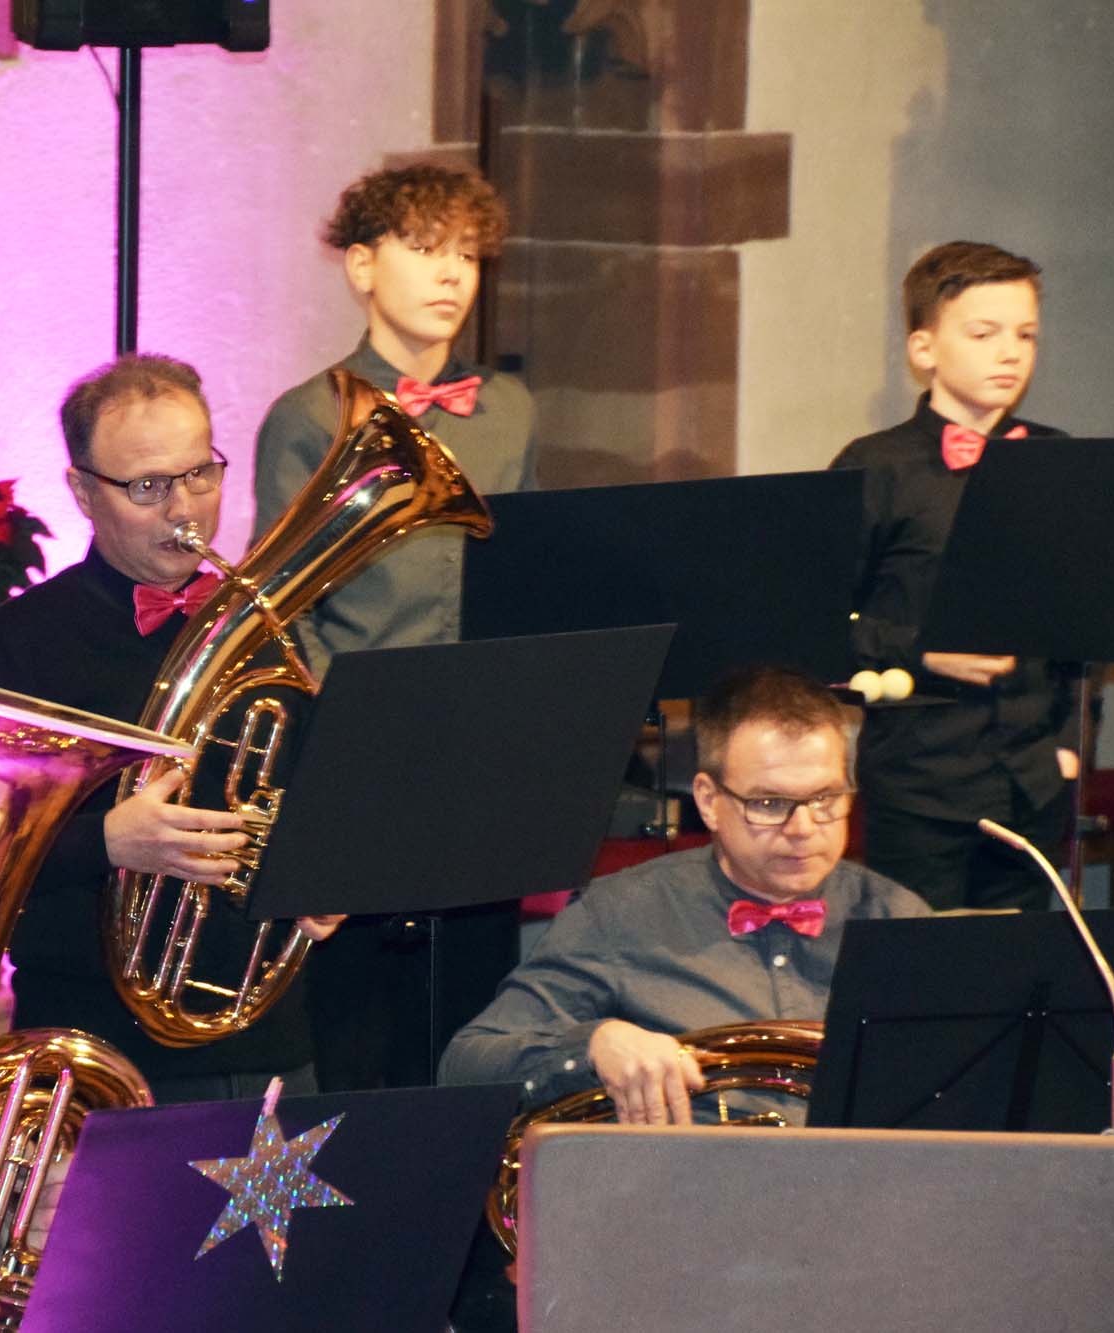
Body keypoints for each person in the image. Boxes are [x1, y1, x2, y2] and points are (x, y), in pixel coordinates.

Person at [0, 354, 340, 1104]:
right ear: (83, 492)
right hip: (93, 1058)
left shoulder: (270, 629)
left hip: (272, 1048)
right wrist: (108, 840)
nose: (185, 509)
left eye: (201, 474)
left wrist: (327, 874)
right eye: (148, 487)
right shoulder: (9, 648)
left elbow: (320, 798)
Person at [251, 162, 539, 1091]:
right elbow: (283, 613)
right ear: (364, 267)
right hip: (360, 754)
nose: (454, 274)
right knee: (360, 1031)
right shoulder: (307, 416)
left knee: (471, 1024)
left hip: (483, 756)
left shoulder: (510, 410)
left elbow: (525, 581)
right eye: (425, 249)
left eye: (467, 253)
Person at [439, 667, 931, 1123]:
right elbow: (469, 1063)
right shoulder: (620, 914)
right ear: (709, 800)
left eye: (825, 798)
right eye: (769, 803)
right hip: (686, 1196)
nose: (803, 828)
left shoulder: (899, 919)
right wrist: (595, 1044)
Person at [829, 240, 1080, 913]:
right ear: (924, 349)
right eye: (984, 332)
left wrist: (1066, 746)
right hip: (920, 781)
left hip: (1033, 780)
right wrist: (920, 650)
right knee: (924, 972)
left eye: (1026, 334)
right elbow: (816, 620)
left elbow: (1082, 619)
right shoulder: (875, 464)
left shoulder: (1059, 461)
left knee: (1021, 977)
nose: (1011, 352)